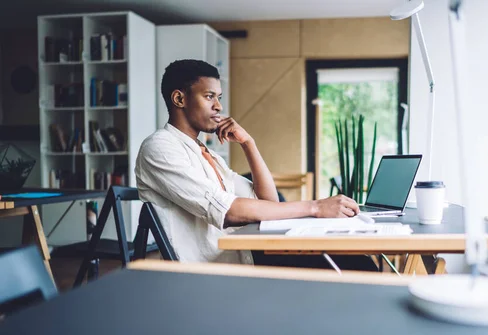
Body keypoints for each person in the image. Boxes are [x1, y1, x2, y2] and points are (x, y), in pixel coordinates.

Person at [135, 59, 361, 265]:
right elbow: (228, 212)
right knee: (351, 265)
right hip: (213, 268)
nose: (219, 107)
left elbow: (269, 201)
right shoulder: (160, 148)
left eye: (219, 97)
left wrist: (248, 143)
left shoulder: (209, 155)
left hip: (244, 255)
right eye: (209, 96)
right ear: (179, 99)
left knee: (353, 261)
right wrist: (315, 207)